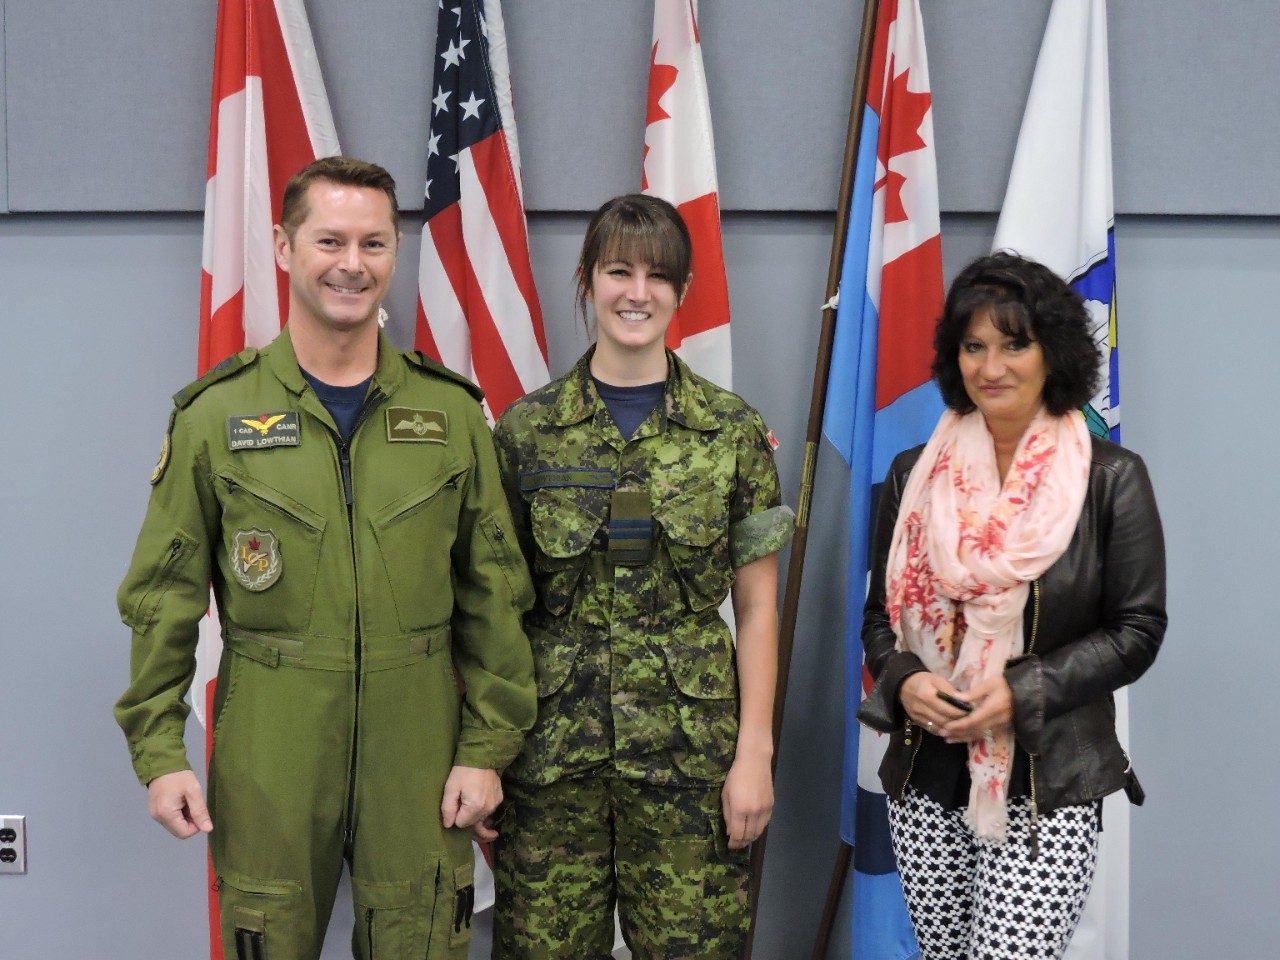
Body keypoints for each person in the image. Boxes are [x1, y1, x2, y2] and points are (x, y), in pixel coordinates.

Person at [113, 155, 536, 960]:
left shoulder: (449, 414)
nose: (352, 265)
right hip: (271, 738)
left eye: (374, 244)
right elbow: (161, 599)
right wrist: (160, 753)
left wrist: (487, 750)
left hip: (417, 736)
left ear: (394, 254)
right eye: (330, 240)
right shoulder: (215, 416)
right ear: (283, 246)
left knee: (421, 938)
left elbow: (495, 598)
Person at [489, 194, 794, 959]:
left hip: (691, 765)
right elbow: (491, 608)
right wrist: (485, 751)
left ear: (682, 291)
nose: (637, 292)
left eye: (658, 276)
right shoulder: (526, 432)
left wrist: (754, 754)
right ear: (586, 280)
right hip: (551, 764)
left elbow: (758, 608)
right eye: (618, 270)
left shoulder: (732, 432)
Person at [857, 252, 1167, 959]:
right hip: (925, 772)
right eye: (974, 346)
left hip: (1044, 780)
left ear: (1051, 352)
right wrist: (905, 678)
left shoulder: (1110, 479)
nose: (991, 366)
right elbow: (878, 615)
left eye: (1014, 343)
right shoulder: (914, 471)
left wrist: (1021, 692)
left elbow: (1138, 630)